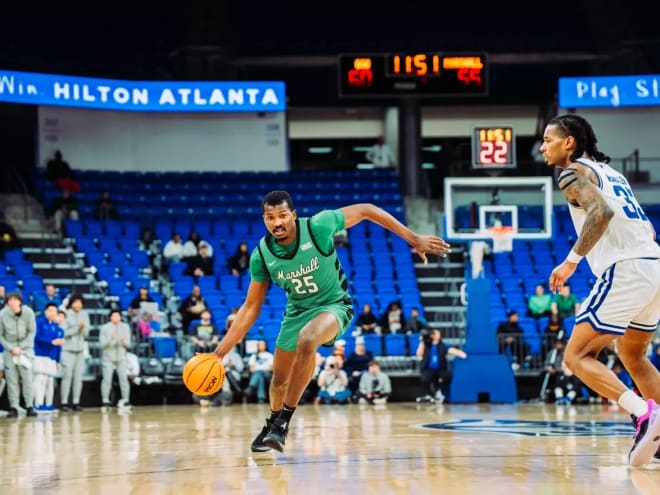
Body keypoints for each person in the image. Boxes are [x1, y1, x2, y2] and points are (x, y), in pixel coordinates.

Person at [212, 190, 450, 452]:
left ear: (293, 215)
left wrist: (413, 238)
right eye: (270, 218)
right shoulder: (262, 255)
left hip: (334, 306)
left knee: (308, 339)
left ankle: (283, 423)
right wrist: (218, 354)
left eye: (282, 216)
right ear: (264, 220)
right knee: (278, 380)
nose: (277, 223)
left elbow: (367, 208)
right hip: (297, 312)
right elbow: (250, 307)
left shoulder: (318, 226)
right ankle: (272, 422)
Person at [541, 113, 660, 467]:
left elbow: (601, 213)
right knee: (634, 356)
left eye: (549, 139)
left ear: (570, 143)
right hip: (654, 264)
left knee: (575, 357)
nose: (543, 146)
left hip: (627, 268)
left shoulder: (571, 172)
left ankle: (644, 413)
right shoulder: (612, 173)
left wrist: (571, 261)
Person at [0, 293, 37, 417]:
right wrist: (11, 348)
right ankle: (14, 407)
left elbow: (32, 332)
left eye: (14, 300)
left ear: (20, 302)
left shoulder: (28, 313)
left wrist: (21, 348)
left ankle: (29, 406)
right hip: (9, 351)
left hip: (25, 350)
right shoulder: (2, 314)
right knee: (11, 380)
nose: (12, 303)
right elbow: (0, 335)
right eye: (9, 301)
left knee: (27, 379)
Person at [416, 328, 467, 403]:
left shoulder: (443, 346)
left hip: (440, 369)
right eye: (434, 334)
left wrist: (461, 354)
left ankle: (439, 391)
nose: (436, 335)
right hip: (428, 369)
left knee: (447, 376)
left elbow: (451, 350)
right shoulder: (426, 345)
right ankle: (430, 394)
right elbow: (419, 354)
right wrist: (422, 342)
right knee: (424, 378)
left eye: (437, 333)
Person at [60, 294, 90, 412]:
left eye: (80, 303)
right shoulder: (66, 314)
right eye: (76, 302)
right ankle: (64, 402)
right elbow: (63, 333)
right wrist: (77, 328)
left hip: (80, 350)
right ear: (71, 303)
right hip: (68, 349)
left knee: (78, 377)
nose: (78, 305)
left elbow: (87, 333)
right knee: (67, 377)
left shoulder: (84, 314)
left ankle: (76, 402)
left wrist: (82, 329)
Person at [32, 302, 64, 412]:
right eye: (50, 310)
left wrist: (58, 360)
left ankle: (49, 404)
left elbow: (58, 345)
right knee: (40, 379)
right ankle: (38, 403)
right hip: (39, 354)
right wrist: (51, 342)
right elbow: (37, 338)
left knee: (50, 381)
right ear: (46, 311)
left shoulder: (57, 327)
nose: (52, 313)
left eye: (54, 311)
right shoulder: (39, 322)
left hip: (51, 357)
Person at [99, 309, 132, 409]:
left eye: (118, 316)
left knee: (123, 378)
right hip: (108, 356)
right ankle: (105, 400)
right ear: (110, 317)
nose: (116, 318)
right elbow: (102, 345)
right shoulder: (104, 328)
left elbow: (129, 344)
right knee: (107, 379)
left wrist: (123, 341)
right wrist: (111, 338)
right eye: (114, 316)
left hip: (121, 356)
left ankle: (126, 399)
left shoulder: (125, 327)